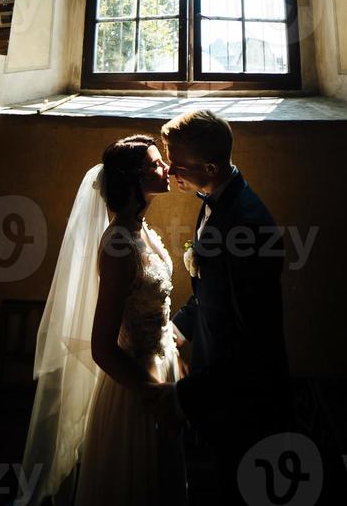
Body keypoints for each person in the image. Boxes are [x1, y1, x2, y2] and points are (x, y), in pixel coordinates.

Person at [15, 134, 187, 506]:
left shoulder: (142, 231)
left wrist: (173, 339)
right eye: (156, 164)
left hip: (163, 364)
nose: (166, 168)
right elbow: (102, 348)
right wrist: (154, 394)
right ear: (134, 179)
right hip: (135, 385)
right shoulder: (118, 245)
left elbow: (149, 303)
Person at [144, 110, 292, 505]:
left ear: (209, 166)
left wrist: (183, 397)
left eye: (176, 164)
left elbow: (252, 342)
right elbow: (213, 290)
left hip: (245, 397)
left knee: (241, 488)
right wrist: (180, 327)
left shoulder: (245, 224)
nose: (171, 171)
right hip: (220, 385)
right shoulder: (215, 198)